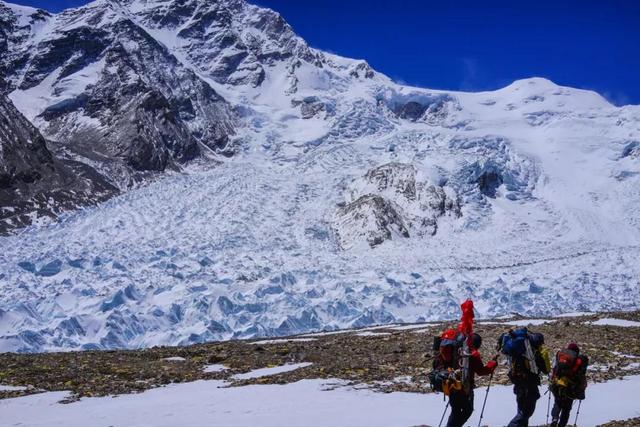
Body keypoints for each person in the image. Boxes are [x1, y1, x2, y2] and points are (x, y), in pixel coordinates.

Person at [430, 330, 498, 427]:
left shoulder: (455, 350)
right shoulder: (472, 353)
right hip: (465, 388)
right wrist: (493, 364)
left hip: (451, 384)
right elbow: (481, 371)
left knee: (455, 410)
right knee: (467, 410)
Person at [498, 328, 551, 427]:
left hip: (518, 383)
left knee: (521, 409)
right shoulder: (536, 354)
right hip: (530, 384)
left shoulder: (518, 352)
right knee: (526, 412)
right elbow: (546, 370)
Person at [549, 342, 588, 427]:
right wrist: (581, 389)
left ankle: (554, 418)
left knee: (557, 403)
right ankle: (561, 425)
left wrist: (551, 382)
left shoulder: (560, 355)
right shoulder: (578, 360)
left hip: (558, 384)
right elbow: (581, 376)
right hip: (570, 387)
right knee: (566, 408)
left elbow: (554, 369)